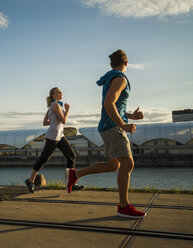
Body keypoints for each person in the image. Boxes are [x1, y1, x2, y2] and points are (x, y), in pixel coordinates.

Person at [66, 49, 146, 218]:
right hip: (112, 127)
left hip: (107, 126)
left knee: (114, 165)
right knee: (128, 164)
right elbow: (108, 103)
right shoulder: (120, 79)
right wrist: (123, 124)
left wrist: (131, 116)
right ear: (126, 62)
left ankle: (76, 174)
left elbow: (115, 107)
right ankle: (123, 207)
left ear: (111, 64)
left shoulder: (112, 77)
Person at [25, 87, 83, 193]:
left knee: (71, 156)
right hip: (52, 136)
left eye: (61, 92)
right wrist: (68, 110)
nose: (61, 93)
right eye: (58, 92)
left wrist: (53, 120)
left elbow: (45, 122)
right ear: (53, 95)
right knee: (43, 159)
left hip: (60, 135)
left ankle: (71, 183)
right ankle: (30, 181)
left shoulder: (56, 106)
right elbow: (64, 120)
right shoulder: (55, 105)